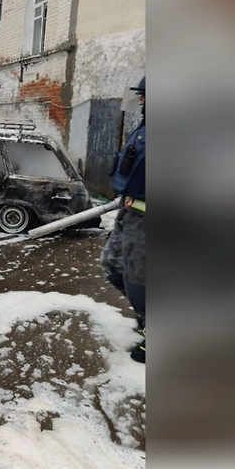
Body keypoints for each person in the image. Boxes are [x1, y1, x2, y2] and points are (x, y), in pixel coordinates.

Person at [101, 76, 146, 363]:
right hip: (128, 213)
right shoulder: (143, 129)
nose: (140, 100)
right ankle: (146, 313)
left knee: (139, 280)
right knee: (112, 265)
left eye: (145, 95)